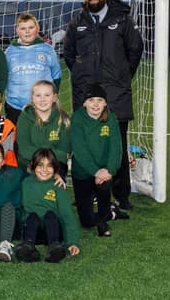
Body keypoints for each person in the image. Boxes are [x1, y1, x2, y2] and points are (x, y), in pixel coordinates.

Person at [63, 0, 144, 210]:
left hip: (115, 94)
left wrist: (121, 75)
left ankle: (121, 195)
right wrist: (82, 76)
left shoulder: (122, 19)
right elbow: (69, 55)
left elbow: (135, 50)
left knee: (116, 145)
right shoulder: (77, 22)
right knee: (85, 145)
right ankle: (88, 194)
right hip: (86, 95)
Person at [70, 83, 124, 237]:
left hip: (104, 173)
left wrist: (109, 170)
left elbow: (116, 147)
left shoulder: (111, 118)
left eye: (99, 100)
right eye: (91, 100)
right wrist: (95, 171)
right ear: (84, 103)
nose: (95, 104)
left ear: (105, 103)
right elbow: (79, 150)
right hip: (83, 172)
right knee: (86, 222)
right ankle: (111, 212)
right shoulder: (77, 118)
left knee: (105, 185)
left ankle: (103, 219)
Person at [16, 148, 80, 263]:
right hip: (32, 231)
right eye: (40, 165)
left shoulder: (57, 186)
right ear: (33, 166)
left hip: (52, 230)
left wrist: (72, 242)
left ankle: (55, 247)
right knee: (32, 216)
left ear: (55, 168)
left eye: (49, 166)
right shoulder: (26, 183)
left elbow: (68, 216)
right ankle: (28, 247)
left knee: (50, 215)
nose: (44, 170)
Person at [4, 13, 61, 124]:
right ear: (17, 31)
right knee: (17, 140)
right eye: (23, 28)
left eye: (31, 27)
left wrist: (52, 97)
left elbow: (56, 75)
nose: (27, 31)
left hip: (43, 106)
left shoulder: (48, 50)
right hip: (15, 107)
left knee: (43, 139)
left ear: (37, 28)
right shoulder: (9, 52)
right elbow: (4, 77)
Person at [16, 80, 70, 179]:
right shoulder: (25, 117)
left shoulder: (63, 119)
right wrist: (49, 152)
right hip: (29, 164)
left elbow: (64, 152)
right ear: (32, 98)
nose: (42, 99)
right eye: (38, 95)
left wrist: (48, 165)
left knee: (53, 189)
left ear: (54, 98)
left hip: (55, 165)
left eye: (47, 95)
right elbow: (24, 149)